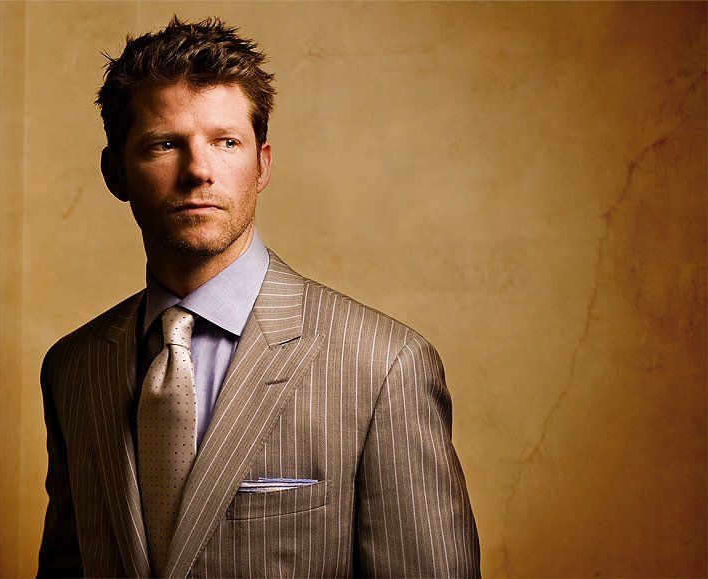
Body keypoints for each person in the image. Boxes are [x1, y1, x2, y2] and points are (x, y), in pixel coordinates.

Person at [37, 16, 480, 578]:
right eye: (164, 144)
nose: (198, 171)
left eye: (226, 142)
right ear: (114, 172)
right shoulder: (73, 368)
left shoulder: (384, 366)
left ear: (262, 164)